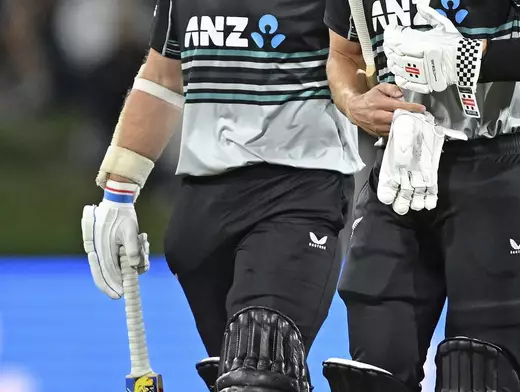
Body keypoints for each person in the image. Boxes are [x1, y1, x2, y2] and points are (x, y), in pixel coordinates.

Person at [78, 0, 421, 390]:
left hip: (297, 198)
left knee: (260, 375)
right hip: (200, 216)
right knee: (243, 376)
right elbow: (162, 79)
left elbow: (361, 64)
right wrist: (118, 193)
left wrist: (369, 100)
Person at [321, 0, 520, 391]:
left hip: (494, 163)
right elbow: (343, 53)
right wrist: (354, 103)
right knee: (375, 377)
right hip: (401, 171)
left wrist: (467, 58)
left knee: (476, 372)